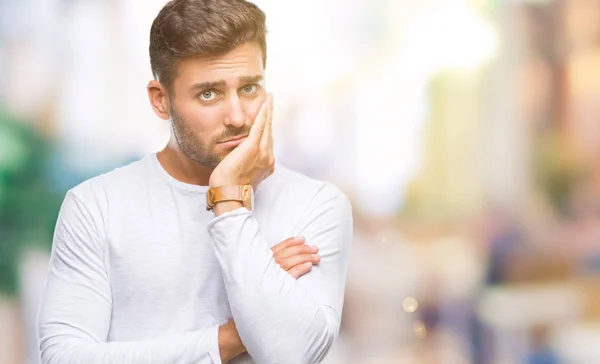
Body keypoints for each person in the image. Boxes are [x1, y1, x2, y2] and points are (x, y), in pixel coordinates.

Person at [36, 0, 353, 363]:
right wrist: (233, 336)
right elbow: (64, 359)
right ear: (160, 100)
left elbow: (293, 354)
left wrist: (229, 201)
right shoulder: (96, 205)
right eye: (209, 94)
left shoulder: (317, 204)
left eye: (249, 88)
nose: (237, 116)